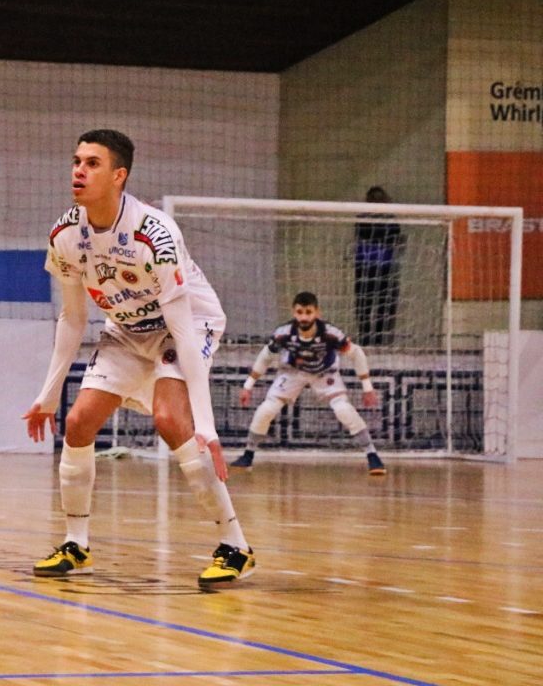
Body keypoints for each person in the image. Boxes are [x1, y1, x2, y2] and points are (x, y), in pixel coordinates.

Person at [22, 129, 254, 588]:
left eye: (92, 163)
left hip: (185, 326)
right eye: (76, 161)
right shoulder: (66, 234)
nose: (79, 171)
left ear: (118, 175)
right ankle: (76, 542)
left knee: (171, 420)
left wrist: (204, 422)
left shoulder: (155, 234)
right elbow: (72, 318)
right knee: (78, 423)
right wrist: (47, 396)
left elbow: (185, 329)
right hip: (126, 330)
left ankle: (235, 546)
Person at [231, 292, 385, 475]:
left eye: (308, 312)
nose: (304, 317)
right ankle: (248, 455)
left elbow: (357, 353)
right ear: (293, 312)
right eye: (299, 312)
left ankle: (372, 456)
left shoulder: (330, 333)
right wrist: (248, 386)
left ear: (317, 313)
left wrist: (367, 388)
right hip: (293, 372)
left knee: (343, 409)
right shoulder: (284, 333)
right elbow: (265, 356)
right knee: (266, 409)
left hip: (324, 372)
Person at [354, 186, 404, 346]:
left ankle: (380, 339)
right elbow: (369, 235)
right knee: (365, 305)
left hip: (385, 266)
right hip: (365, 265)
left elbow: (393, 239)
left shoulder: (391, 220)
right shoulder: (362, 219)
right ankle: (366, 338)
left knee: (383, 305)